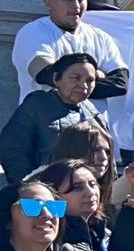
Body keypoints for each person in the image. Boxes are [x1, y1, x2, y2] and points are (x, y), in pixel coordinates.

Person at [14, 0, 128, 105]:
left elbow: (121, 83)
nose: (76, 6)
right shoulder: (33, 32)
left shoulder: (101, 37)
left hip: (93, 124)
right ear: (49, 2)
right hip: (47, 121)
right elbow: (46, 75)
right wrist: (95, 76)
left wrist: (72, 82)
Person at [1, 52, 110, 180]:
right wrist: (28, 188)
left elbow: (109, 160)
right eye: (75, 78)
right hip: (44, 192)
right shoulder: (37, 105)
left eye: (90, 80)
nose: (84, 85)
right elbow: (13, 149)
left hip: (86, 193)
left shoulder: (94, 114)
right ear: (56, 79)